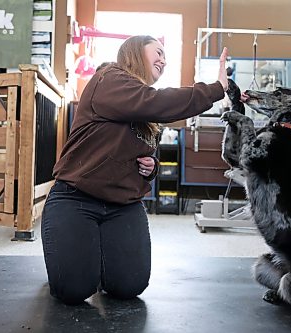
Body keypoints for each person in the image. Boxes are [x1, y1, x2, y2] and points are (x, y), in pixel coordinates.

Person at [41, 35, 229, 305]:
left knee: (129, 286)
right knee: (73, 289)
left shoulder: (144, 111)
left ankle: (94, 261)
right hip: (76, 198)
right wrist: (214, 89)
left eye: (166, 57)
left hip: (123, 205)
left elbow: (142, 155)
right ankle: (77, 262)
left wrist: (151, 167)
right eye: (159, 53)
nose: (164, 61)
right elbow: (156, 102)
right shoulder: (108, 77)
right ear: (134, 52)